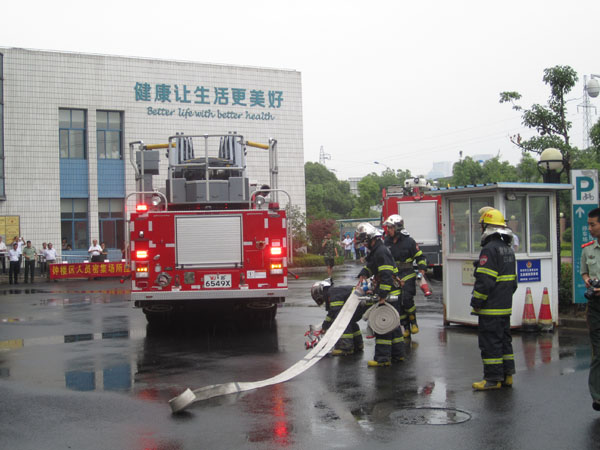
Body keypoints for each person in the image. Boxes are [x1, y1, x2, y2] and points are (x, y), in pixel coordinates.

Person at [470, 207, 517, 391]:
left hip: (491, 308)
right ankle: (507, 375)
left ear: (487, 227)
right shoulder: (508, 249)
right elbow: (513, 283)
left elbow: (485, 281)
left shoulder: (489, 250)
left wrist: (477, 302)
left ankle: (492, 379)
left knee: (490, 343)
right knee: (504, 341)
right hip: (505, 307)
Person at [356, 222, 404, 367]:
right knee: (393, 324)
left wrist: (382, 294)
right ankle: (397, 355)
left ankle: (382, 359)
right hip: (391, 291)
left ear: (371, 239)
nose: (364, 245)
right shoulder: (377, 250)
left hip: (389, 293)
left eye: (365, 242)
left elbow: (386, 274)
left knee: (383, 326)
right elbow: (372, 266)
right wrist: (364, 273)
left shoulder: (381, 252)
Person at [383, 214, 428, 338]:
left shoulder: (409, 241)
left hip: (407, 273)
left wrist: (422, 269)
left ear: (397, 228)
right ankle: (405, 326)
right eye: (388, 227)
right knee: (397, 301)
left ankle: (413, 322)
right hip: (394, 275)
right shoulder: (386, 242)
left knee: (407, 299)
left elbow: (420, 257)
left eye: (391, 227)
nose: (388, 230)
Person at [311, 278, 364, 356]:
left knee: (342, 321)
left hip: (360, 302)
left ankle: (345, 348)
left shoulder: (333, 294)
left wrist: (326, 327)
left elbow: (336, 313)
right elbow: (331, 313)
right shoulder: (334, 292)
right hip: (360, 303)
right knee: (350, 322)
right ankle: (358, 344)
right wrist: (325, 327)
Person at [580, 207, 600, 411]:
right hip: (595, 306)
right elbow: (584, 272)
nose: (590, 228)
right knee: (598, 352)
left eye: (593, 224)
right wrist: (588, 281)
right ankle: (598, 396)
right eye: (588, 225)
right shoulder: (587, 249)